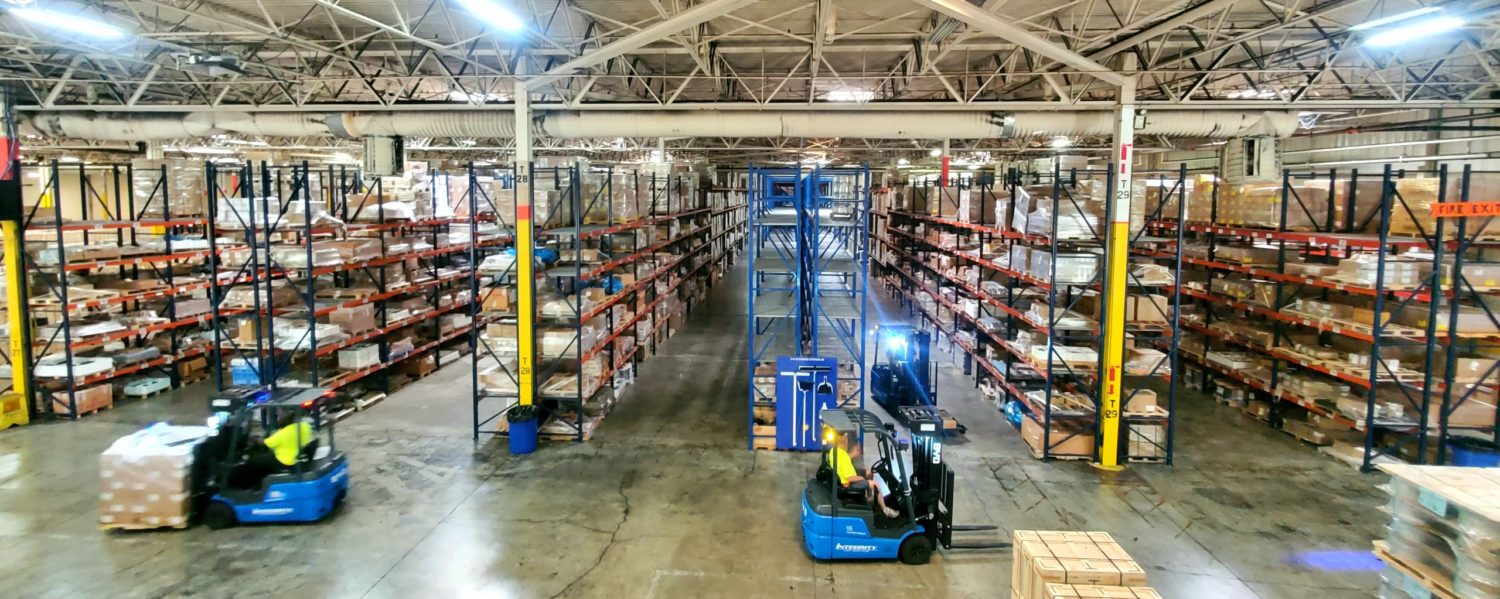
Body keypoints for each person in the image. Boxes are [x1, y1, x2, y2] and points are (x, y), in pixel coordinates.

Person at [826, 435, 900, 519]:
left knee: (869, 472)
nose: (848, 442)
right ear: (843, 441)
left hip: (847, 476)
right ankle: (885, 510)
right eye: (846, 439)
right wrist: (862, 479)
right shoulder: (841, 456)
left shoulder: (836, 450)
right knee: (875, 484)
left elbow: (845, 459)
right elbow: (850, 478)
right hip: (848, 484)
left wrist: (853, 454)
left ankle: (869, 498)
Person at [234, 411, 313, 487]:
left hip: (284, 461)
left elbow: (264, 443)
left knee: (253, 462)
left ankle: (254, 486)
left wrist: (255, 438)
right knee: (262, 459)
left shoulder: (284, 432)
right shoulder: (304, 426)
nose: (278, 416)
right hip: (297, 459)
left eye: (279, 415)